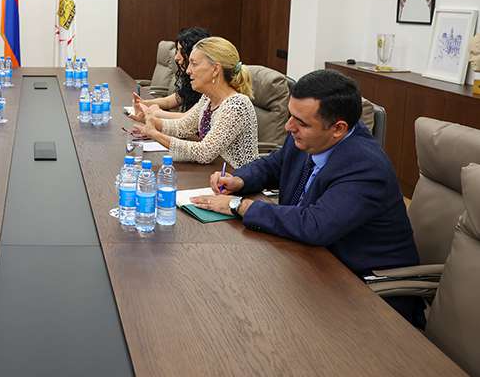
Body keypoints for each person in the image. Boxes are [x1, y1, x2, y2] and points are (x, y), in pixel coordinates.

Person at [191, 69, 423, 326]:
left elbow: (315, 224)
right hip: (309, 264)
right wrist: (240, 180)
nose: (289, 126)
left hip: (365, 293)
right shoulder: (310, 135)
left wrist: (240, 205)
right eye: (290, 115)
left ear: (338, 128)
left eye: (300, 122)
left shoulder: (365, 167)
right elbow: (275, 164)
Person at [131, 36, 258, 168]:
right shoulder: (207, 98)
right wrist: (150, 120)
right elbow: (183, 126)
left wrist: (155, 134)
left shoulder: (236, 105)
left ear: (215, 69)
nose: (188, 70)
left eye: (194, 64)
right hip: (214, 172)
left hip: (237, 177)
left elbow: (204, 152)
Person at [130, 26, 210, 122]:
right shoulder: (191, 79)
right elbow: (169, 101)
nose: (176, 57)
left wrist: (157, 113)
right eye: (177, 51)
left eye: (182, 51)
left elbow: (190, 120)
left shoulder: (207, 87)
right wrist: (143, 103)